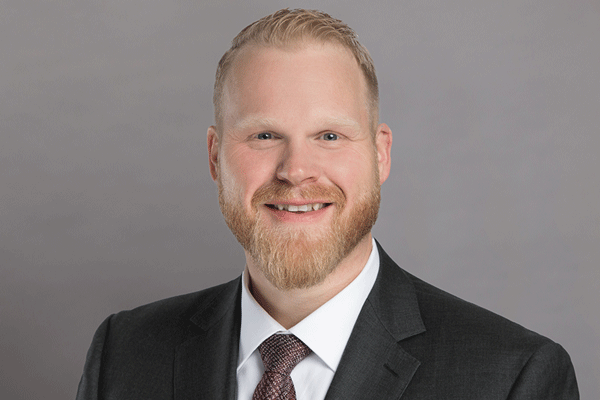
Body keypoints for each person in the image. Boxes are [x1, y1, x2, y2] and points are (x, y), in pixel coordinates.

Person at [76, 8, 579, 400]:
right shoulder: (125, 354)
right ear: (214, 156)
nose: (296, 169)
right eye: (265, 134)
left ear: (380, 155)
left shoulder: (512, 377)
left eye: (330, 135)